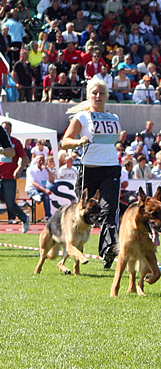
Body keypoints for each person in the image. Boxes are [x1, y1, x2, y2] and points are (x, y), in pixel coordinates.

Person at [61, 77, 122, 268]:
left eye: (101, 93)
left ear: (107, 96)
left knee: (109, 210)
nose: (98, 96)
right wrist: (79, 142)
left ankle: (108, 249)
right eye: (94, 93)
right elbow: (65, 141)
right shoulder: (82, 117)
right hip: (88, 169)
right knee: (84, 213)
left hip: (111, 167)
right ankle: (74, 249)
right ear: (88, 95)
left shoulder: (114, 118)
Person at [0, 122, 30, 232]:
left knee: (10, 203)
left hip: (9, 176)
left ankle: (24, 218)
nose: (6, 130)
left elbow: (25, 158)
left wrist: (19, 168)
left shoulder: (15, 142)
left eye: (8, 128)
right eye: (4, 128)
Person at [25, 154, 54, 220]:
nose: (41, 162)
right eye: (40, 160)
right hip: (32, 189)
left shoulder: (46, 170)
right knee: (43, 194)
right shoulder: (31, 169)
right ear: (36, 160)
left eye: (43, 160)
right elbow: (33, 183)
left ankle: (48, 216)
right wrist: (45, 190)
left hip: (42, 190)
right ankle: (37, 195)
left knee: (54, 186)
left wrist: (48, 170)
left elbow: (52, 181)